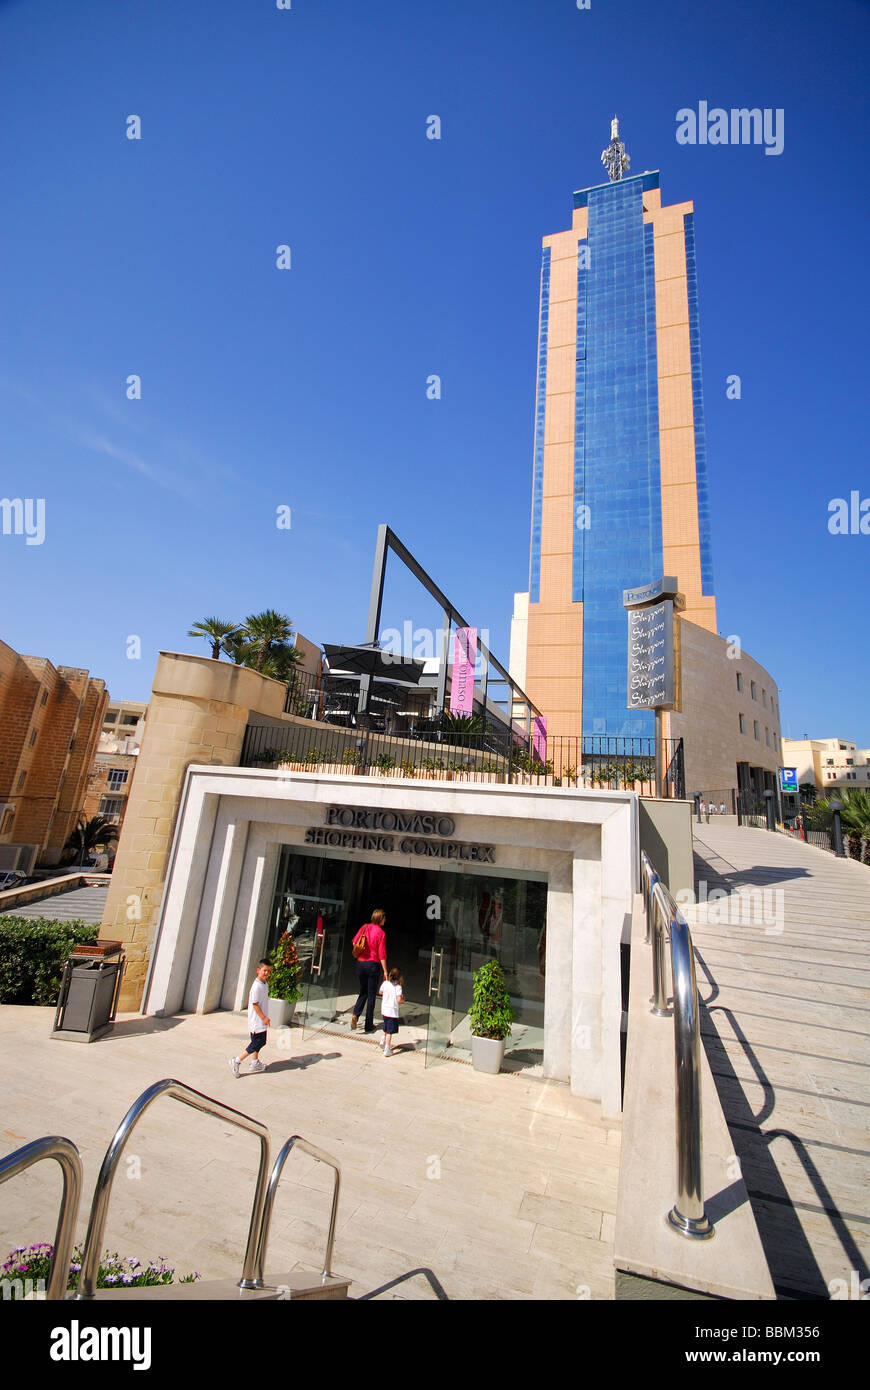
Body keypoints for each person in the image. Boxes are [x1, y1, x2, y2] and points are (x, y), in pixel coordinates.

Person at [229, 959, 271, 1076]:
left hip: (260, 1021)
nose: (266, 973)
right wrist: (263, 1018)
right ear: (258, 971)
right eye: (264, 970)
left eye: (268, 971)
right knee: (258, 1042)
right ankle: (237, 1061)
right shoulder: (256, 987)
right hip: (257, 1021)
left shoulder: (264, 983)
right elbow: (255, 1004)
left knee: (258, 1042)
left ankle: (255, 1062)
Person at [350, 908, 388, 1034]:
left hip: (360, 964)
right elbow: (382, 954)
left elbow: (355, 942)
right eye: (384, 917)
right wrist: (385, 971)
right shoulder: (381, 933)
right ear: (380, 918)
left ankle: (356, 1013)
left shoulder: (365, 927)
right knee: (371, 995)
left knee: (363, 991)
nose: (385, 920)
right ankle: (368, 1025)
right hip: (373, 965)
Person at [379, 967, 404, 1058]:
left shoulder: (385, 983)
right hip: (392, 1011)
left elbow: (380, 992)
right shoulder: (398, 987)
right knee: (390, 1031)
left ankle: (383, 1039)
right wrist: (402, 999)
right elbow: (398, 999)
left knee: (386, 1026)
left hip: (384, 1009)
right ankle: (387, 1048)